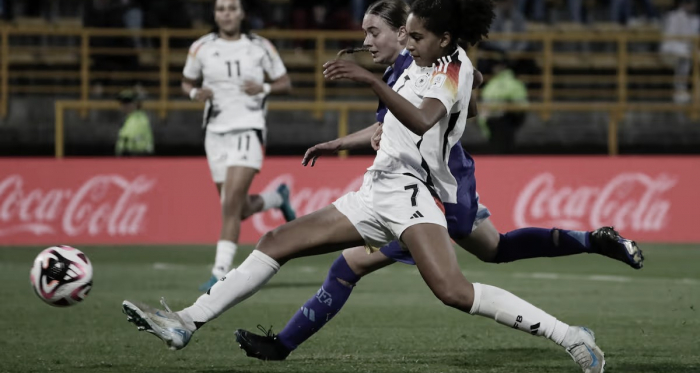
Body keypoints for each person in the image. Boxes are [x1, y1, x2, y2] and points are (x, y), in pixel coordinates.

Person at [121, 1, 609, 371]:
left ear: (441, 38)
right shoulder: (424, 61)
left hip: (414, 195)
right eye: (406, 35)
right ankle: (186, 322)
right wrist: (347, 136)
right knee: (276, 240)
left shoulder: (451, 70)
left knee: (455, 292)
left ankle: (570, 336)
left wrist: (373, 83)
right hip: (377, 188)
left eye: (412, 36)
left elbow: (420, 121)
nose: (408, 43)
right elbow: (407, 118)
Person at [181, 0, 297, 291]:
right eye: (221, 9)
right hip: (215, 133)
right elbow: (185, 82)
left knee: (230, 206)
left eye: (232, 8)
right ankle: (276, 199)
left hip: (248, 128)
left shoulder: (259, 46)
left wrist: (265, 87)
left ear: (242, 13)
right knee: (237, 208)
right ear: (215, 14)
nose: (227, 14)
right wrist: (195, 91)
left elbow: (285, 82)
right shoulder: (201, 47)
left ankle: (220, 272)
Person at [115, 89, 153, 156]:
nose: (124, 106)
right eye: (122, 103)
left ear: (136, 104)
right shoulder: (128, 119)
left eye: (127, 102)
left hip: (136, 157)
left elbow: (135, 145)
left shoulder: (139, 119)